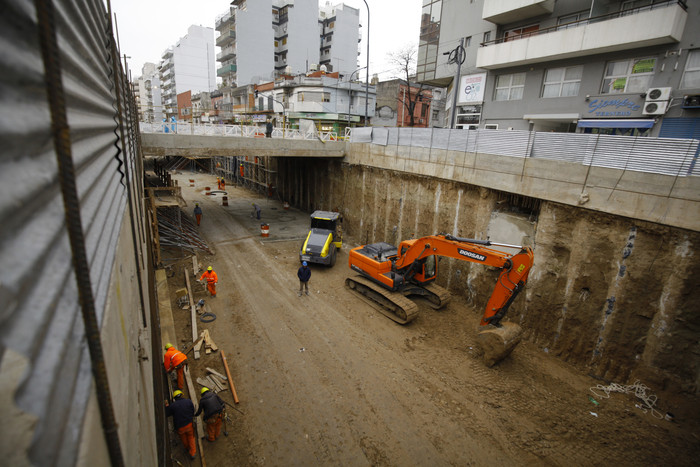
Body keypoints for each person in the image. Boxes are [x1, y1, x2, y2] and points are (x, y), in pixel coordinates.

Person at [165, 390, 197, 460]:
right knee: (191, 437)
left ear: (174, 398)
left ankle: (187, 448)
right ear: (181, 395)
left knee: (184, 438)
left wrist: (167, 406)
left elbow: (167, 414)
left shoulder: (173, 406)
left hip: (180, 427)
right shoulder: (188, 401)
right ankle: (193, 453)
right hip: (189, 424)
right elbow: (192, 410)